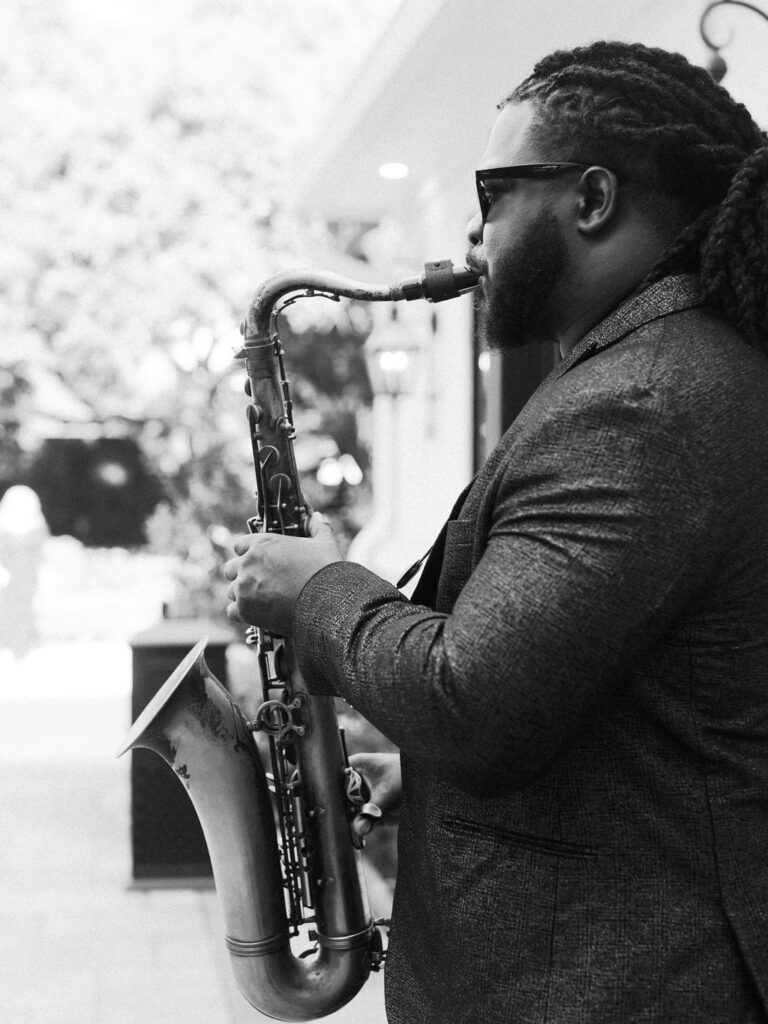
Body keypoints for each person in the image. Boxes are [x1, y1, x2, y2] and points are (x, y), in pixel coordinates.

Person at [224, 41, 768, 1023]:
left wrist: (317, 592)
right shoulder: (633, 373)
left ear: (592, 199)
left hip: (608, 990)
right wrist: (421, 785)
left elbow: (474, 705)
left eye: (491, 193)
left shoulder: (641, 403)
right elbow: (584, 696)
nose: (470, 236)